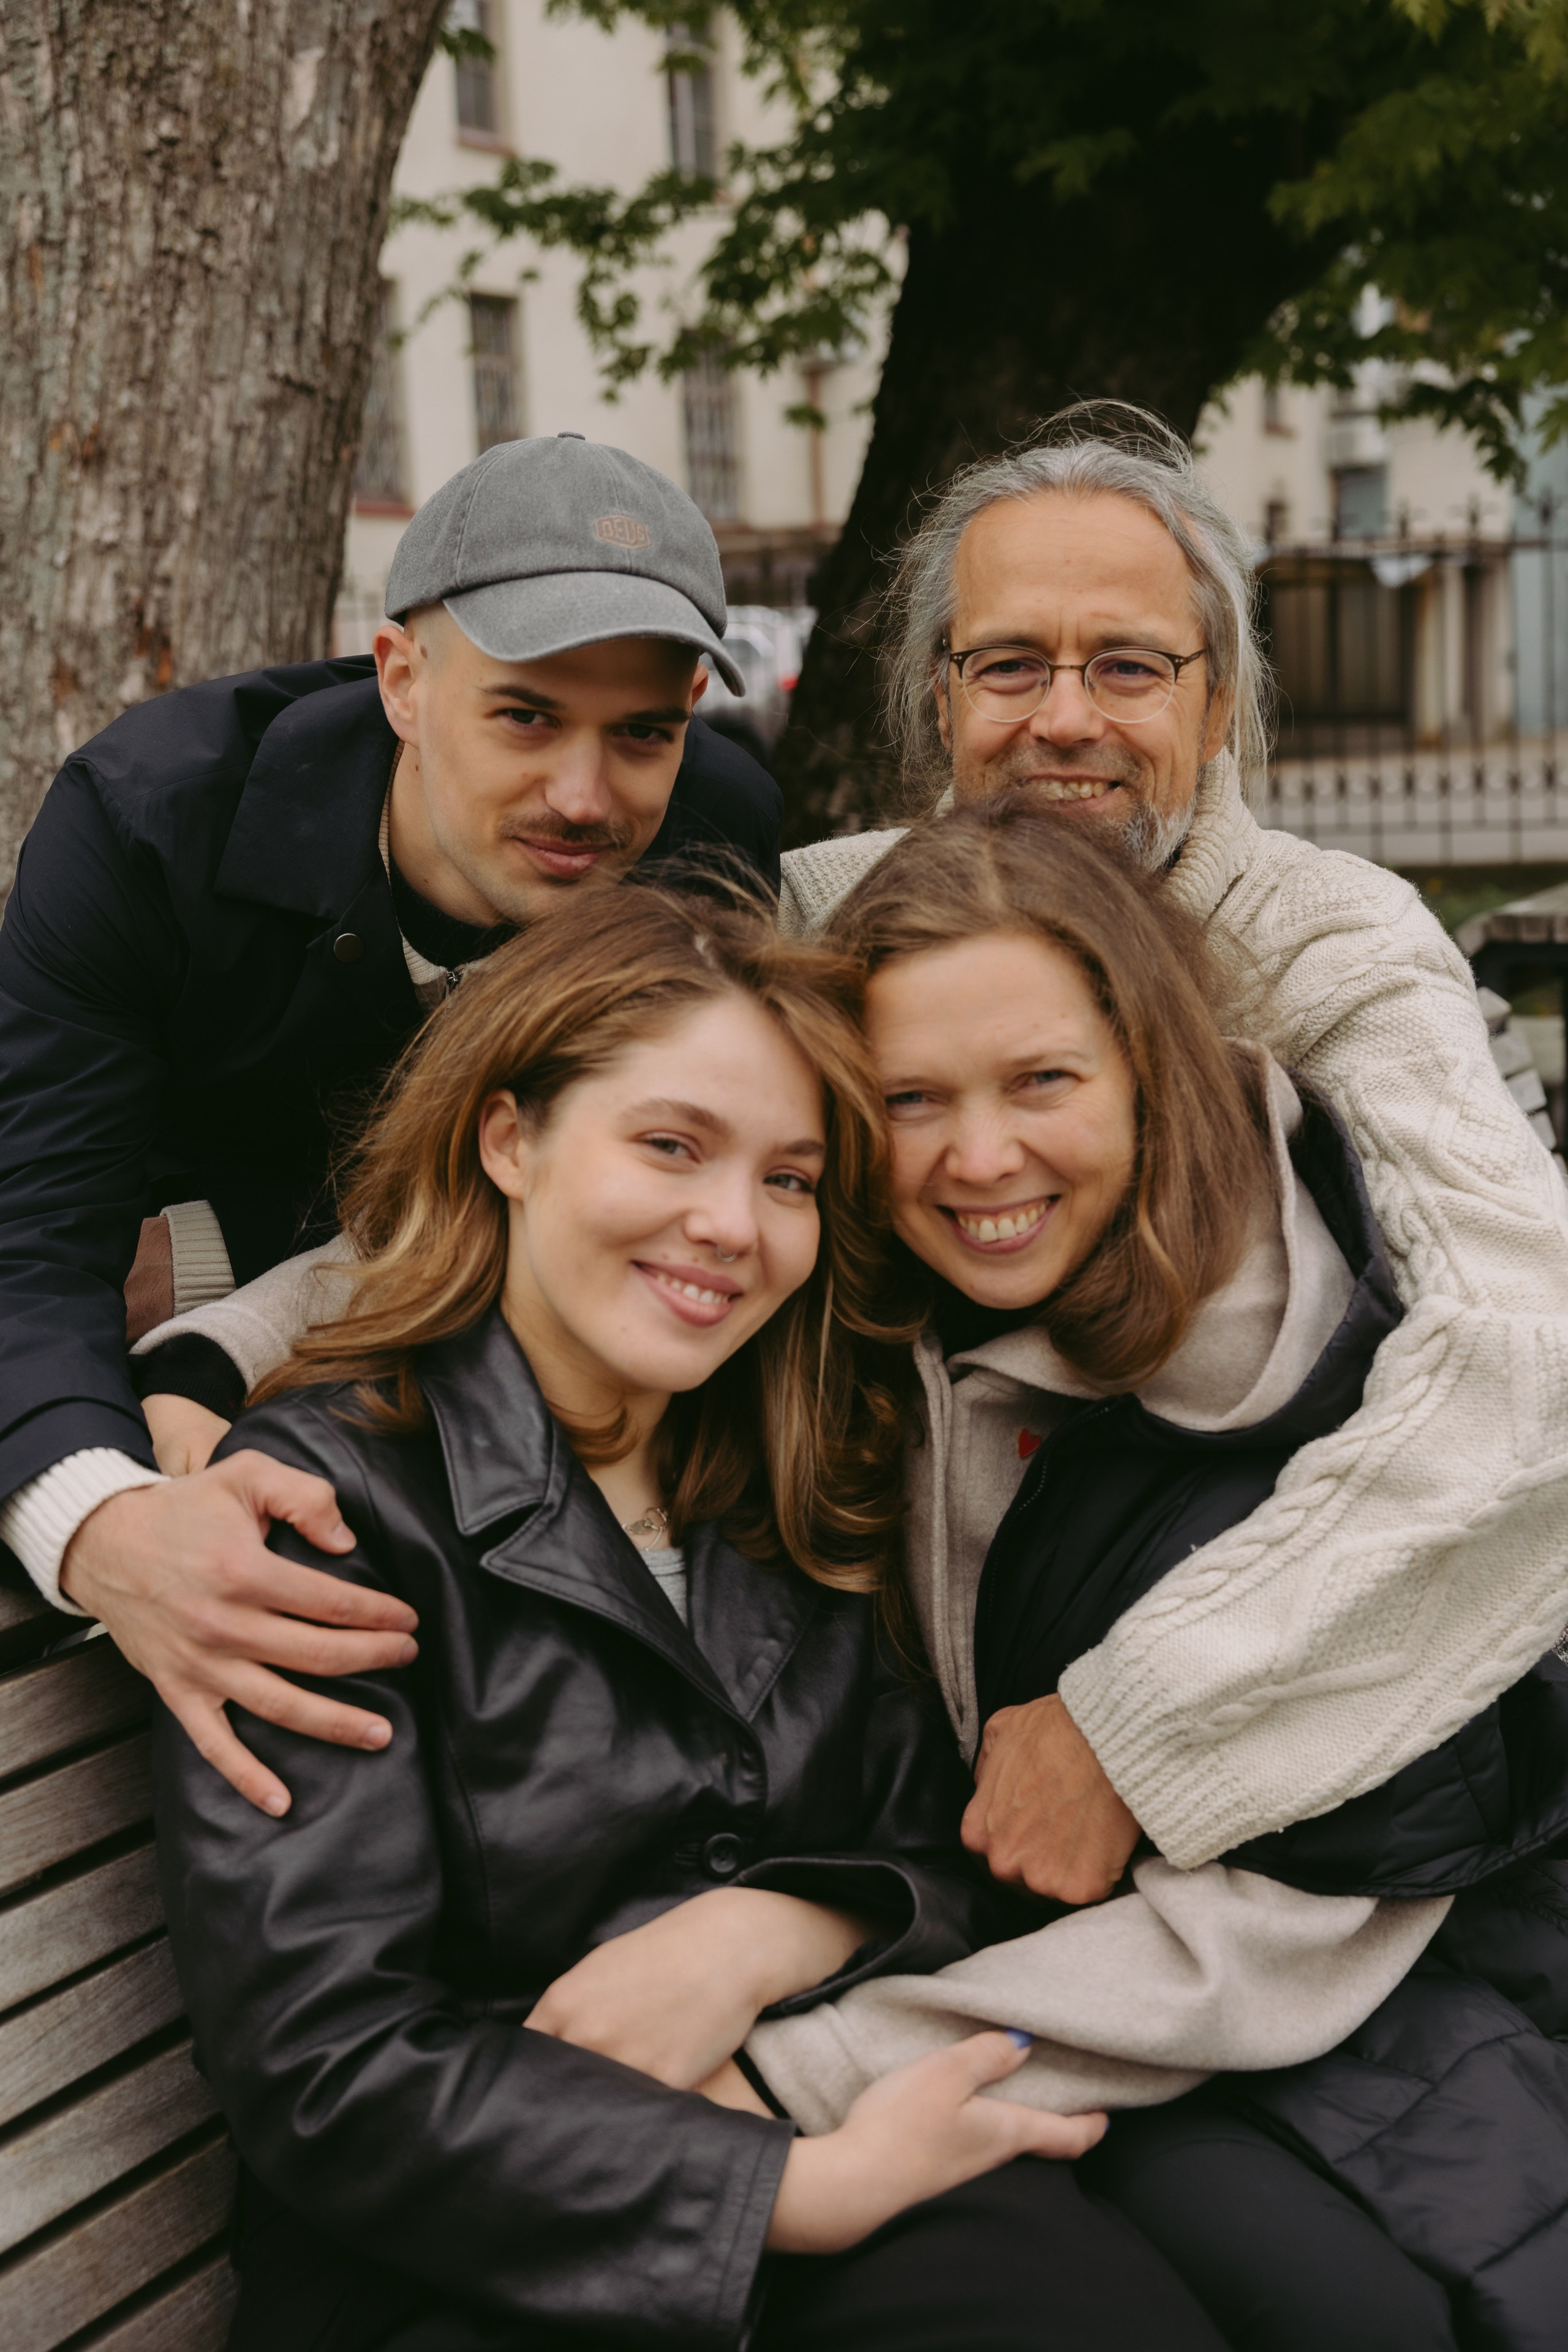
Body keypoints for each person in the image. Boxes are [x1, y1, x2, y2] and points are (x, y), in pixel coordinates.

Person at [153, 883, 1226, 2352]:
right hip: (462, 2245)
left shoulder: (792, 1472)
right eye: (670, 1146)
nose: (730, 1227)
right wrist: (792, 2192)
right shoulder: (323, 1511)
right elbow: (327, 2062)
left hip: (783, 2092)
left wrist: (768, 1927)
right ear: (509, 1139)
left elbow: (943, 1848)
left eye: (788, 1180)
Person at [738, 802, 1568, 2350]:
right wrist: (237, 1377)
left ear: (1148, 1069)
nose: (979, 1155)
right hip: (1047, 1984)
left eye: (1042, 1081)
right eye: (911, 1098)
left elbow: (1283, 1931)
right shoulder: (858, 1312)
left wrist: (817, 2069)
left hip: (1356, 1995)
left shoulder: (1335, 1429)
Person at [774, 402, 1568, 1901]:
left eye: (1127, 666)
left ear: (1217, 711)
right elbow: (559, 1179)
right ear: (940, 698)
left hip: (1294, 1849)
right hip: (882, 1792)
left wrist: (1138, 1723)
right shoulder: (827, 919)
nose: (1062, 717)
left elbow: (1529, 1366)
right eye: (1008, 664)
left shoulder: (1330, 944)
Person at [0, 431, 782, 1814]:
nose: (585, 796)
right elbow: (33, 1239)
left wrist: (217, 1306)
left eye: (643, 733)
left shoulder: (714, 840)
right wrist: (103, 1525)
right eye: (526, 716)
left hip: (450, 1348)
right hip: (165, 1322)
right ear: (402, 681)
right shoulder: (150, 822)